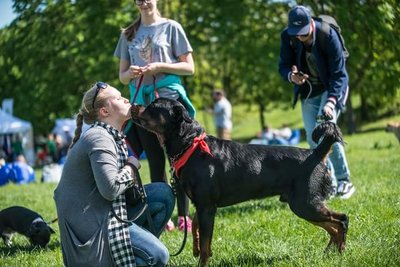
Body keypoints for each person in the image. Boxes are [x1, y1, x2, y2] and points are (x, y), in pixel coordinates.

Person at [54, 82, 175, 266]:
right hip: (93, 237)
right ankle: (123, 257)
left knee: (162, 194)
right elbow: (110, 189)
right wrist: (131, 167)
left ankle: (134, 249)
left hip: (103, 215)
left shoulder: (109, 134)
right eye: (118, 98)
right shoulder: (99, 137)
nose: (126, 99)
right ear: (104, 112)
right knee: (158, 256)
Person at [114, 0, 195, 232]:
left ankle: (184, 215)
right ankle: (164, 214)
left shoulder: (172, 27)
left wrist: (160, 66)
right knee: (155, 161)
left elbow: (190, 68)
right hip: (143, 107)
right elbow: (121, 76)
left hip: (169, 105)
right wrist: (130, 73)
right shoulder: (128, 33)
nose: (143, 1)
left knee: (180, 158)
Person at [279, 5, 355, 199]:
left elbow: (339, 74)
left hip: (332, 87)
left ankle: (345, 181)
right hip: (309, 89)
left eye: (303, 34)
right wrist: (291, 76)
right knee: (313, 137)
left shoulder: (328, 35)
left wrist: (331, 102)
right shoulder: (288, 36)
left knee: (327, 131)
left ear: (311, 24)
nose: (299, 37)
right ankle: (327, 181)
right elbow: (283, 65)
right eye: (296, 34)